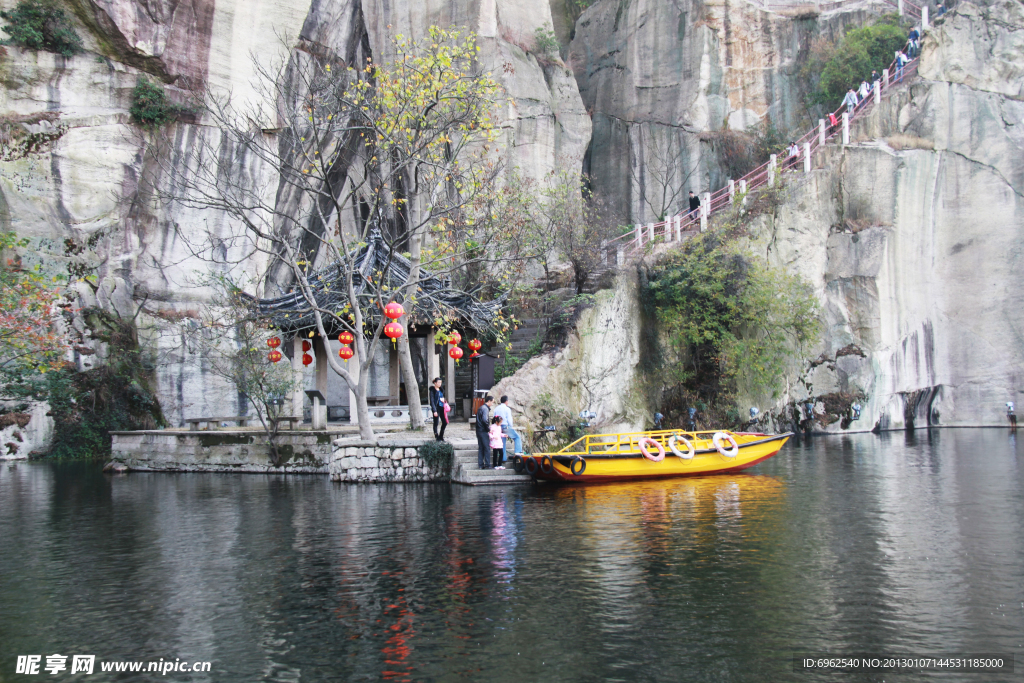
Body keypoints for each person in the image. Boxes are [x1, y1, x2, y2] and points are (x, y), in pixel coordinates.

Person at [475, 395, 494, 469]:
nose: (492, 404)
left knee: (481, 448)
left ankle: (480, 465)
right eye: (492, 402)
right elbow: (484, 420)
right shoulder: (485, 409)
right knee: (486, 448)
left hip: (478, 430)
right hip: (483, 431)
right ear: (489, 401)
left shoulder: (480, 408)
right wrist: (488, 429)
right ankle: (488, 464)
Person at [428, 377, 449, 441]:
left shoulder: (441, 390)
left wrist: (444, 400)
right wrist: (434, 410)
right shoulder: (432, 391)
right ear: (435, 383)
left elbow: (443, 398)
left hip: (442, 407)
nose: (440, 384)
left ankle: (441, 435)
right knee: (436, 422)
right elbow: (432, 401)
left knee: (445, 422)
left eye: (441, 382)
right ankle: (436, 436)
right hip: (436, 408)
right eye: (439, 382)